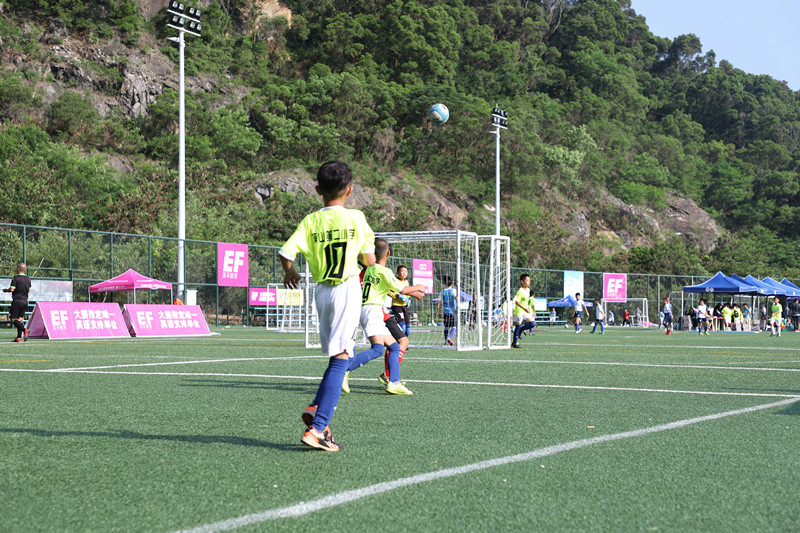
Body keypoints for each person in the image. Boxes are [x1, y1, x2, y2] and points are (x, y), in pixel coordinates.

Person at [280, 160, 376, 452]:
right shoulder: (356, 218)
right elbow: (369, 259)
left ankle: (316, 407)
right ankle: (318, 429)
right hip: (346, 289)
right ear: (350, 190)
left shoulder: (310, 221)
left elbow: (285, 253)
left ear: (317, 190)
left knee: (338, 356)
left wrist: (290, 272)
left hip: (321, 292)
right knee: (342, 358)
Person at [344, 238, 425, 395]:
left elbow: (390, 288)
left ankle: (393, 382)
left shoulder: (369, 270)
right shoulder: (384, 271)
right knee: (378, 349)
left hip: (371, 310)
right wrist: (419, 287)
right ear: (388, 253)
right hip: (373, 310)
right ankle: (343, 371)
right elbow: (402, 290)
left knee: (394, 346)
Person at [4, 262, 31, 342]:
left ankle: (25, 330)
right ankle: (19, 338)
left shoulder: (15, 278)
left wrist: (6, 290)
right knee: (19, 319)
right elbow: (29, 290)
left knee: (12, 319)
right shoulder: (28, 279)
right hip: (25, 301)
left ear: (18, 269)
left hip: (17, 301)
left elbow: (12, 289)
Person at [511, 274, 536, 348]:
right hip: (519, 311)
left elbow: (527, 301)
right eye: (527, 280)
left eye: (529, 280)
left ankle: (521, 329)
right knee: (517, 326)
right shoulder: (520, 291)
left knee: (532, 324)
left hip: (525, 311)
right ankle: (515, 343)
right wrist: (524, 308)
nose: (529, 282)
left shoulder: (528, 290)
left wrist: (527, 307)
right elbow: (516, 301)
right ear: (522, 281)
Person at [390, 265, 412, 337]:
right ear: (397, 272)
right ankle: (397, 340)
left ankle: (404, 341)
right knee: (402, 327)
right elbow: (389, 291)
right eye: (402, 271)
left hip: (404, 306)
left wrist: (408, 299)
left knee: (408, 330)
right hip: (397, 306)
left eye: (406, 271)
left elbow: (408, 292)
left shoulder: (406, 282)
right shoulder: (395, 281)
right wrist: (397, 295)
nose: (404, 273)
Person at [438, 275, 459, 345]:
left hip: (445, 311)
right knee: (454, 326)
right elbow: (456, 298)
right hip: (452, 311)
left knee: (446, 326)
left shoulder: (442, 292)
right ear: (452, 283)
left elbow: (439, 301)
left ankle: (446, 341)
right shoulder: (453, 290)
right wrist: (457, 305)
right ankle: (449, 338)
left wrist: (438, 311)